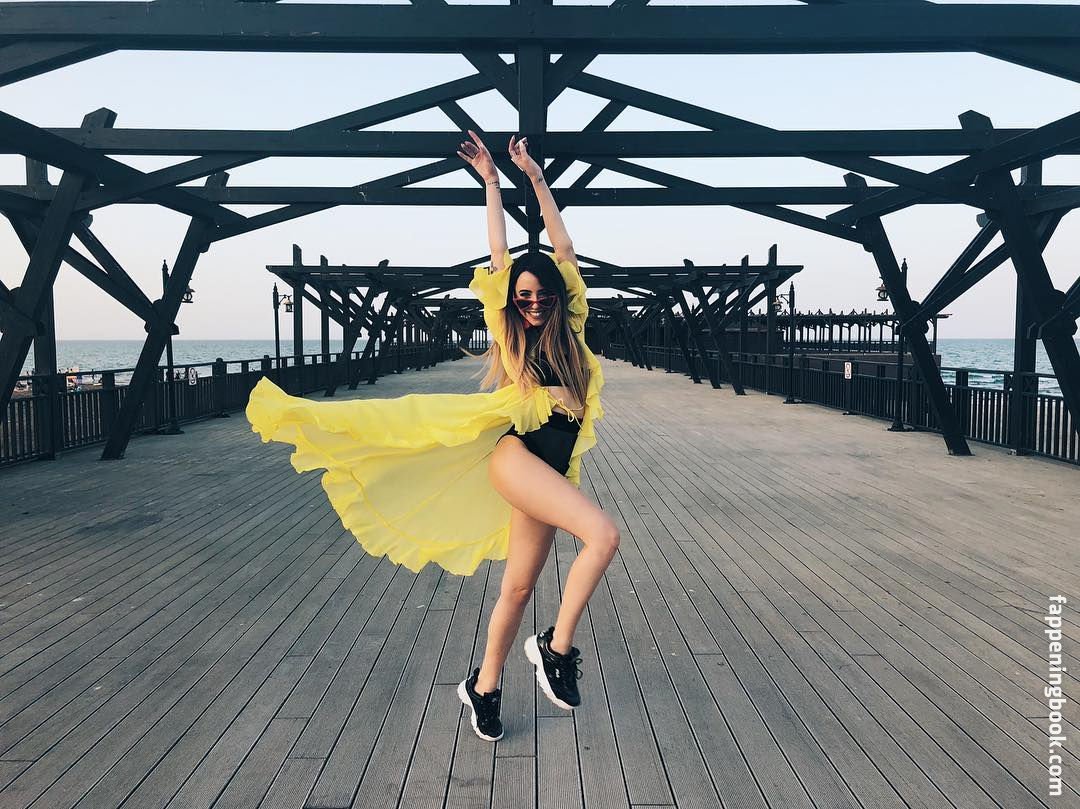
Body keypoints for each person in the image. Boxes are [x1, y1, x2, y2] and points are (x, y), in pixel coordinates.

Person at [244, 129, 617, 745]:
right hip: (517, 458)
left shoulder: (571, 325)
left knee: (518, 587)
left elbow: (565, 247)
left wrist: (535, 178)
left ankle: (484, 687)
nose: (531, 302)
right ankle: (555, 648)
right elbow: (499, 256)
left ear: (557, 296)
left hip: (549, 472)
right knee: (602, 535)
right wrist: (492, 182)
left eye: (541, 294)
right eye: (522, 295)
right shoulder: (511, 334)